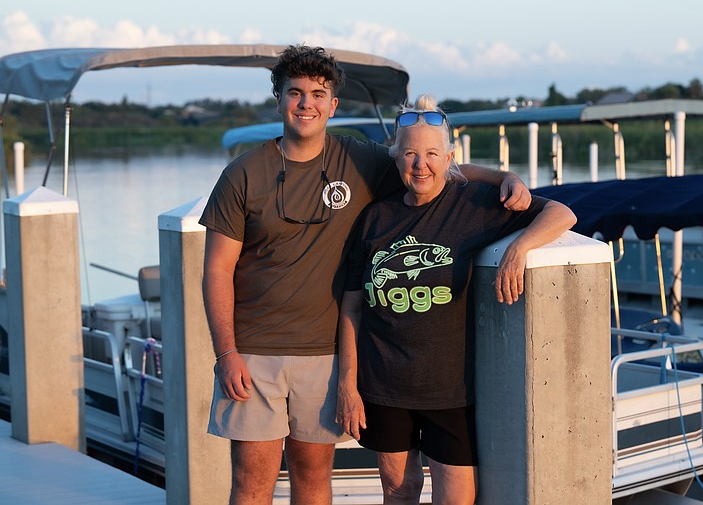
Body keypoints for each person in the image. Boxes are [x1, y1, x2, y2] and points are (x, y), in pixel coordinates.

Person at [200, 46, 532, 505]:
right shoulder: (242, 174)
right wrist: (226, 352)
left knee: (313, 480)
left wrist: (501, 179)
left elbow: (430, 166)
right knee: (252, 482)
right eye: (295, 93)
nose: (306, 104)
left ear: (333, 105)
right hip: (255, 352)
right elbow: (216, 268)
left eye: (318, 94)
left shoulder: (359, 160)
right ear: (278, 99)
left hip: (325, 353)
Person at [336, 94, 577, 504]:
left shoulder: (474, 205)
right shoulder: (375, 219)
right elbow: (352, 308)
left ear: (449, 158)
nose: (420, 164)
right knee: (399, 491)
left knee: (457, 499)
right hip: (383, 386)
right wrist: (348, 386)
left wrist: (518, 250)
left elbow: (561, 214)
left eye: (431, 153)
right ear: (396, 159)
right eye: (410, 153)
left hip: (450, 391)